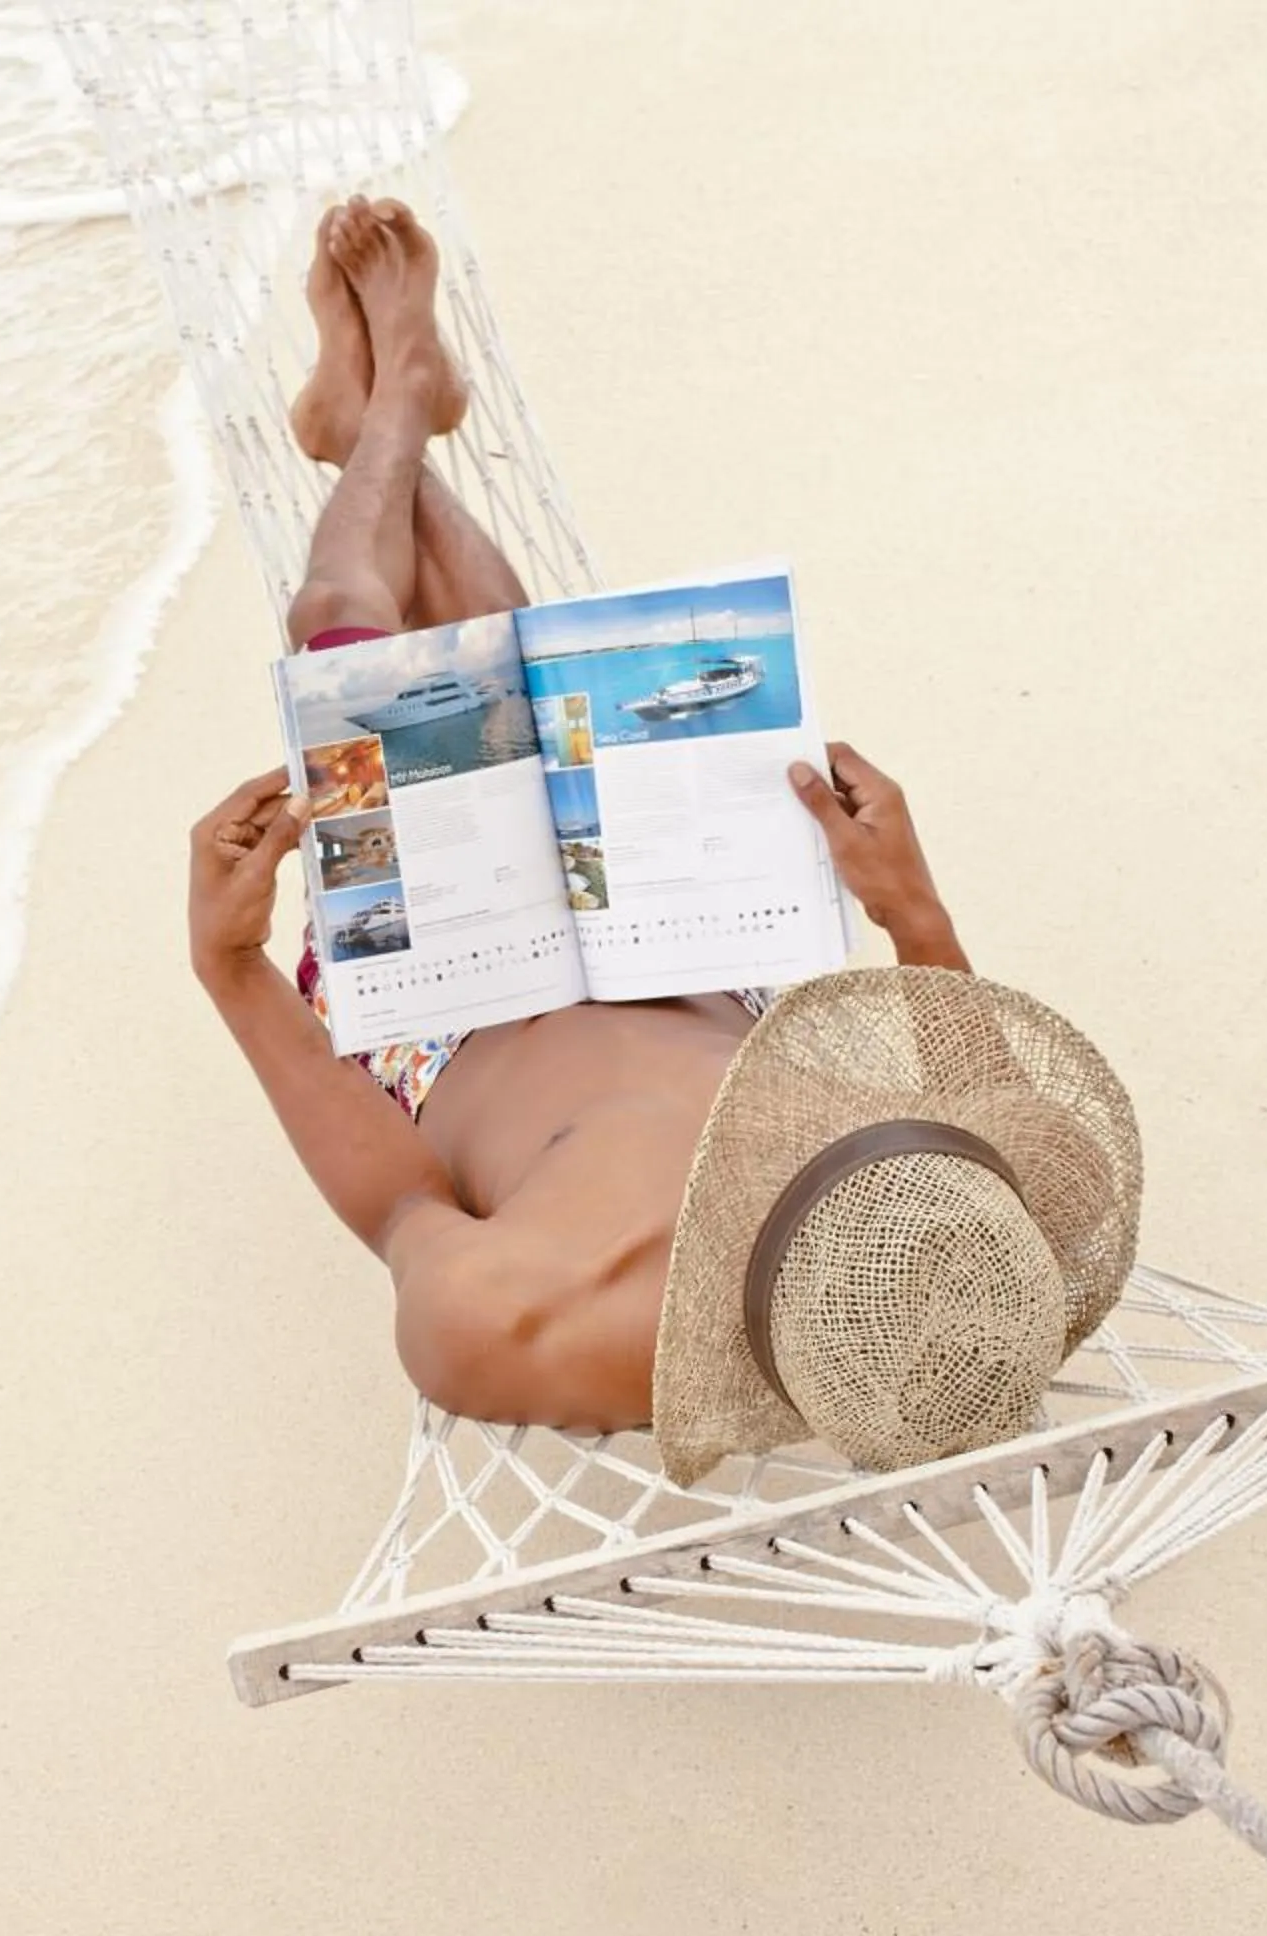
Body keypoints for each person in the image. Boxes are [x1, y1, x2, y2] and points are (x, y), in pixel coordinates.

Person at [186, 197, 981, 1438]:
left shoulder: (513, 1322)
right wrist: (911, 907)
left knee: (347, 634)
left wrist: (231, 966)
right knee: (524, 687)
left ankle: (385, 422)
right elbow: (989, 1100)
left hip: (435, 1003)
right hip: (695, 944)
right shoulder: (923, 1230)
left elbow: (400, 1208)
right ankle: (377, 418)